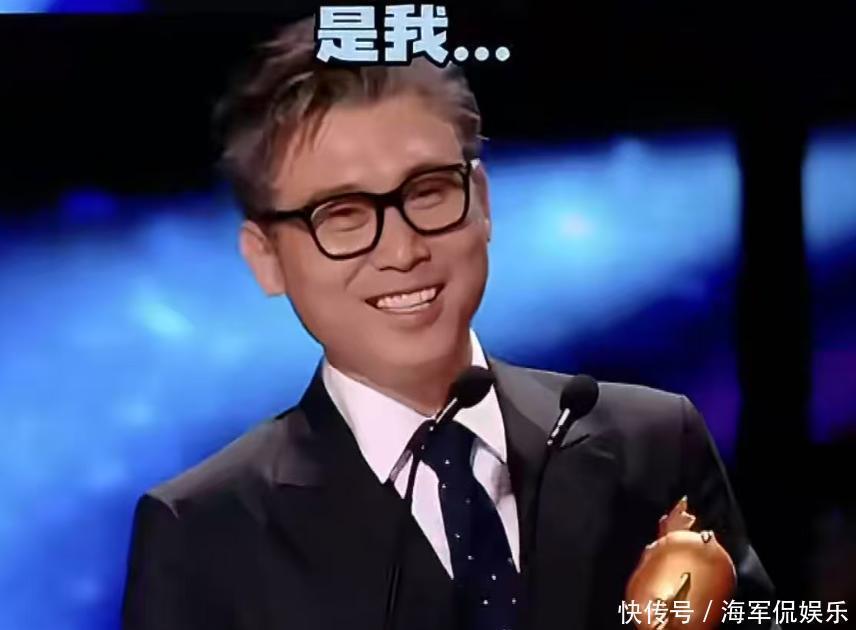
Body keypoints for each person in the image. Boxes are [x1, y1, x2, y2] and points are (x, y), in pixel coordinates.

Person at [120, 16, 777, 630]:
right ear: (266, 258)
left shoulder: (650, 448)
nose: (403, 250)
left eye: (428, 191)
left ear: (481, 201)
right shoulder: (204, 530)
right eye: (342, 215)